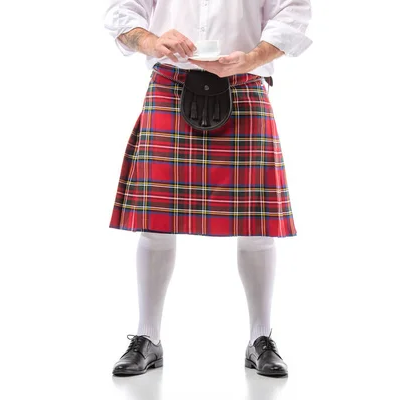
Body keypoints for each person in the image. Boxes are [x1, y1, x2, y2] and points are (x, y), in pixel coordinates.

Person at [103, 0, 312, 377]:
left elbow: (292, 11)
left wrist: (252, 57)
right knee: (155, 222)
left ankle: (259, 339)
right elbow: (122, 10)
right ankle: (147, 338)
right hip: (170, 82)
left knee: (257, 224)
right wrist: (152, 41)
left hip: (244, 84)